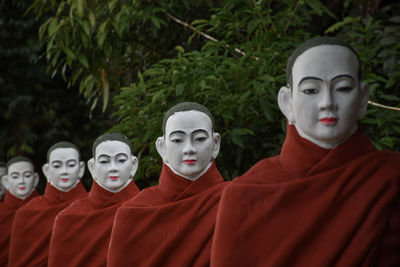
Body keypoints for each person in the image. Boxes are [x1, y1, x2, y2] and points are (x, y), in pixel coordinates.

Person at [210, 37, 400, 266]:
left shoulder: (390, 177)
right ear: (287, 102)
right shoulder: (244, 195)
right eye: (311, 90)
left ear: (362, 99)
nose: (327, 102)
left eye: (343, 88)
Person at [107, 102, 227, 267]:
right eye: (177, 140)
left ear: (215, 144)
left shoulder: (235, 200)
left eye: (199, 139)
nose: (189, 149)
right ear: (162, 147)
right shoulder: (134, 213)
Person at [48, 133, 139, 267]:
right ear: (92, 167)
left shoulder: (149, 209)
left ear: (133, 165)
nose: (113, 168)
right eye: (104, 161)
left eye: (120, 160)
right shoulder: (70, 217)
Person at [7, 142, 87, 267]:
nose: (64, 171)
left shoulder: (94, 208)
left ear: (81, 169)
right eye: (57, 166)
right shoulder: (27, 212)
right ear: (46, 170)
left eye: (71, 165)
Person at [0, 156, 39, 266]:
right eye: (15, 176)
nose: (21, 181)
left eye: (27, 176)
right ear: (6, 181)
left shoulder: (45, 210)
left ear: (35, 179)